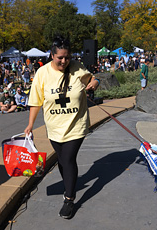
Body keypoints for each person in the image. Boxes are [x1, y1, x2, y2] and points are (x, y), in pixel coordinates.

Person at [24, 35, 100, 219]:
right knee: (61, 160)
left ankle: (69, 199)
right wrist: (30, 124)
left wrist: (94, 83)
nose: (64, 61)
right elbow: (36, 101)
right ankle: (69, 184)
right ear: (52, 55)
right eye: (60, 57)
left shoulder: (77, 68)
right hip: (54, 127)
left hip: (76, 124)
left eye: (67, 57)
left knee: (68, 159)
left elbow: (93, 79)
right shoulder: (42, 73)